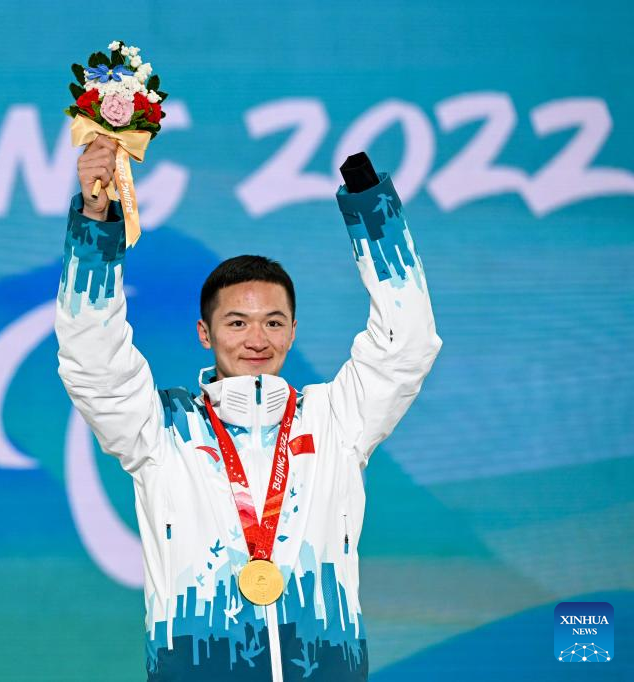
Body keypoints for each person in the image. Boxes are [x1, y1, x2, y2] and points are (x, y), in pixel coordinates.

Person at [55, 135, 441, 681]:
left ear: (292, 331)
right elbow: (93, 362)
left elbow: (408, 344)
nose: (256, 339)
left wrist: (372, 212)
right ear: (205, 333)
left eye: (273, 322)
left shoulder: (335, 420)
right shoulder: (161, 430)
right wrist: (97, 224)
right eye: (237, 323)